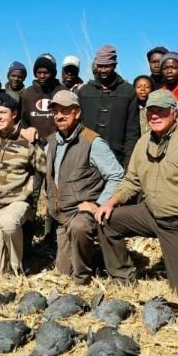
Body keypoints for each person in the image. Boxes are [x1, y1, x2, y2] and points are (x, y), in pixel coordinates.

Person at [95, 89, 178, 298]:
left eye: (161, 111)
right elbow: (131, 181)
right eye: (151, 112)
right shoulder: (143, 142)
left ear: (174, 113)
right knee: (106, 220)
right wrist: (110, 202)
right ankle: (123, 277)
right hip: (149, 214)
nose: (155, 116)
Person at [46, 90, 123, 284]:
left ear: (77, 113)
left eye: (65, 110)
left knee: (79, 228)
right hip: (63, 216)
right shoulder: (52, 142)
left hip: (82, 214)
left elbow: (117, 176)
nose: (59, 115)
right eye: (55, 111)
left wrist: (98, 204)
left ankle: (83, 280)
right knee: (63, 272)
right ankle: (96, 256)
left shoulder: (93, 142)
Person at [0, 92, 46, 275]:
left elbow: (46, 168)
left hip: (16, 203)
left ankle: (17, 270)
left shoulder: (27, 139)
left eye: (3, 112)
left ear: (14, 114)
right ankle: (5, 269)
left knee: (8, 222)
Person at [77, 44, 140, 168]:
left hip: (118, 157)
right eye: (100, 66)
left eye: (107, 66)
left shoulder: (128, 91)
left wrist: (128, 162)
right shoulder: (84, 91)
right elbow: (79, 126)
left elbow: (132, 131)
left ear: (115, 65)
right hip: (88, 156)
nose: (103, 70)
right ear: (96, 66)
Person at [20, 54, 64, 144]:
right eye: (39, 73)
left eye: (46, 73)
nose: (42, 76)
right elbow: (24, 121)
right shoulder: (27, 93)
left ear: (53, 73)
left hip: (59, 143)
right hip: (35, 143)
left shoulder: (62, 92)